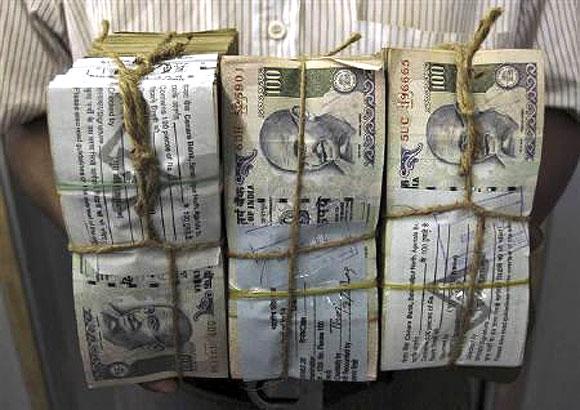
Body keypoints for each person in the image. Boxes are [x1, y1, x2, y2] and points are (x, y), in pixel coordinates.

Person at [1, 0, 578, 396]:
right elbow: (25, 115)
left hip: (419, 369)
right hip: (184, 376)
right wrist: (140, 265)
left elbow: (562, 99)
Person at [101, 304, 193, 352]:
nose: (141, 315)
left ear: (153, 347)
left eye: (152, 323)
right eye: (149, 310)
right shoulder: (104, 310)